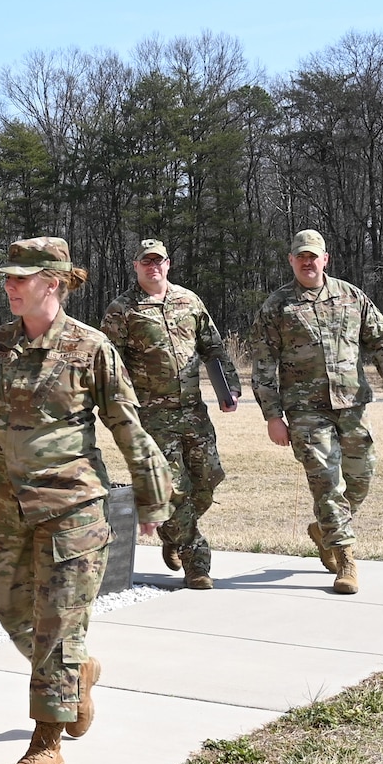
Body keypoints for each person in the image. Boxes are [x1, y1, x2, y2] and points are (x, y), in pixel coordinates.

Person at [0, 237, 170, 764]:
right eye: (7, 277)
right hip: (7, 506)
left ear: (53, 282)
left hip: (73, 506)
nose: (10, 286)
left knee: (57, 625)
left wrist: (152, 498)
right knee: (9, 607)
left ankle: (47, 742)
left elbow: (127, 425)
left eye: (20, 278)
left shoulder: (90, 348)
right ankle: (79, 674)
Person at [252, 229, 383, 596]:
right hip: (306, 411)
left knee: (361, 477)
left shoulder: (352, 297)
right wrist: (273, 416)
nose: (308, 262)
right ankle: (346, 558)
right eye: (300, 256)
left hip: (352, 405)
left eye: (314, 256)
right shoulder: (277, 307)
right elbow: (263, 365)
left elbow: (382, 344)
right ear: (292, 260)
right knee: (327, 484)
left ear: (326, 259)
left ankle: (324, 531)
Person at [99, 238, 241, 590]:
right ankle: (197, 561)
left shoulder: (188, 301)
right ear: (136, 266)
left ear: (168, 264)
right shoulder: (122, 310)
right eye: (146, 262)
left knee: (207, 481)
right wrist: (120, 410)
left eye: (158, 261)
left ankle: (170, 530)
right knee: (174, 489)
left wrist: (229, 389)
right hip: (152, 419)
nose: (153, 267)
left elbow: (213, 347)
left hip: (193, 412)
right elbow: (108, 366)